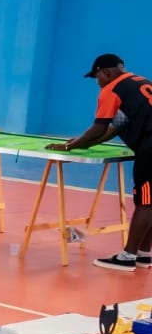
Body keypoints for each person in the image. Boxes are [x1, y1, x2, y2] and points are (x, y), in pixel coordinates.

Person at [47, 54, 152, 271]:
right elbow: (115, 127)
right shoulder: (139, 83)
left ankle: (127, 257)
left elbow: (99, 128)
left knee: (146, 202)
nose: (97, 82)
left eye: (97, 77)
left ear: (106, 72)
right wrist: (81, 143)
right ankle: (143, 253)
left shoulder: (112, 89)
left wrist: (69, 147)